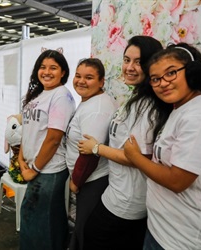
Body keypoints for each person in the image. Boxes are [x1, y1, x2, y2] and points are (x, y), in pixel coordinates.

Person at [77, 36, 173, 249]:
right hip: (118, 192)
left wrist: (96, 148)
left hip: (126, 201)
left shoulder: (148, 107)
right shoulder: (136, 98)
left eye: (138, 62)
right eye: (126, 60)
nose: (129, 67)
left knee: (92, 236)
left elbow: (138, 158)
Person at [124, 43, 201, 249]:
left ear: (192, 73)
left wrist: (133, 156)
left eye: (171, 73)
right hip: (162, 228)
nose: (163, 83)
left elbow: (177, 181)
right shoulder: (181, 109)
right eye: (155, 79)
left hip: (181, 239)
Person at [18, 49, 76, 250]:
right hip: (35, 166)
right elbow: (29, 128)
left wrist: (33, 169)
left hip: (48, 170)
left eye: (53, 68)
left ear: (63, 72)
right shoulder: (39, 93)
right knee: (42, 219)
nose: (47, 72)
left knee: (39, 223)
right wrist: (20, 158)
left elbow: (53, 138)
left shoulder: (61, 96)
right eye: (43, 67)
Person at [65, 58, 117, 250]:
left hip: (92, 180)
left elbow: (89, 154)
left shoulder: (97, 109)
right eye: (78, 76)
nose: (81, 81)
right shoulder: (89, 101)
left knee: (85, 231)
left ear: (101, 81)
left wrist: (76, 182)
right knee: (81, 229)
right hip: (87, 180)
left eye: (89, 77)